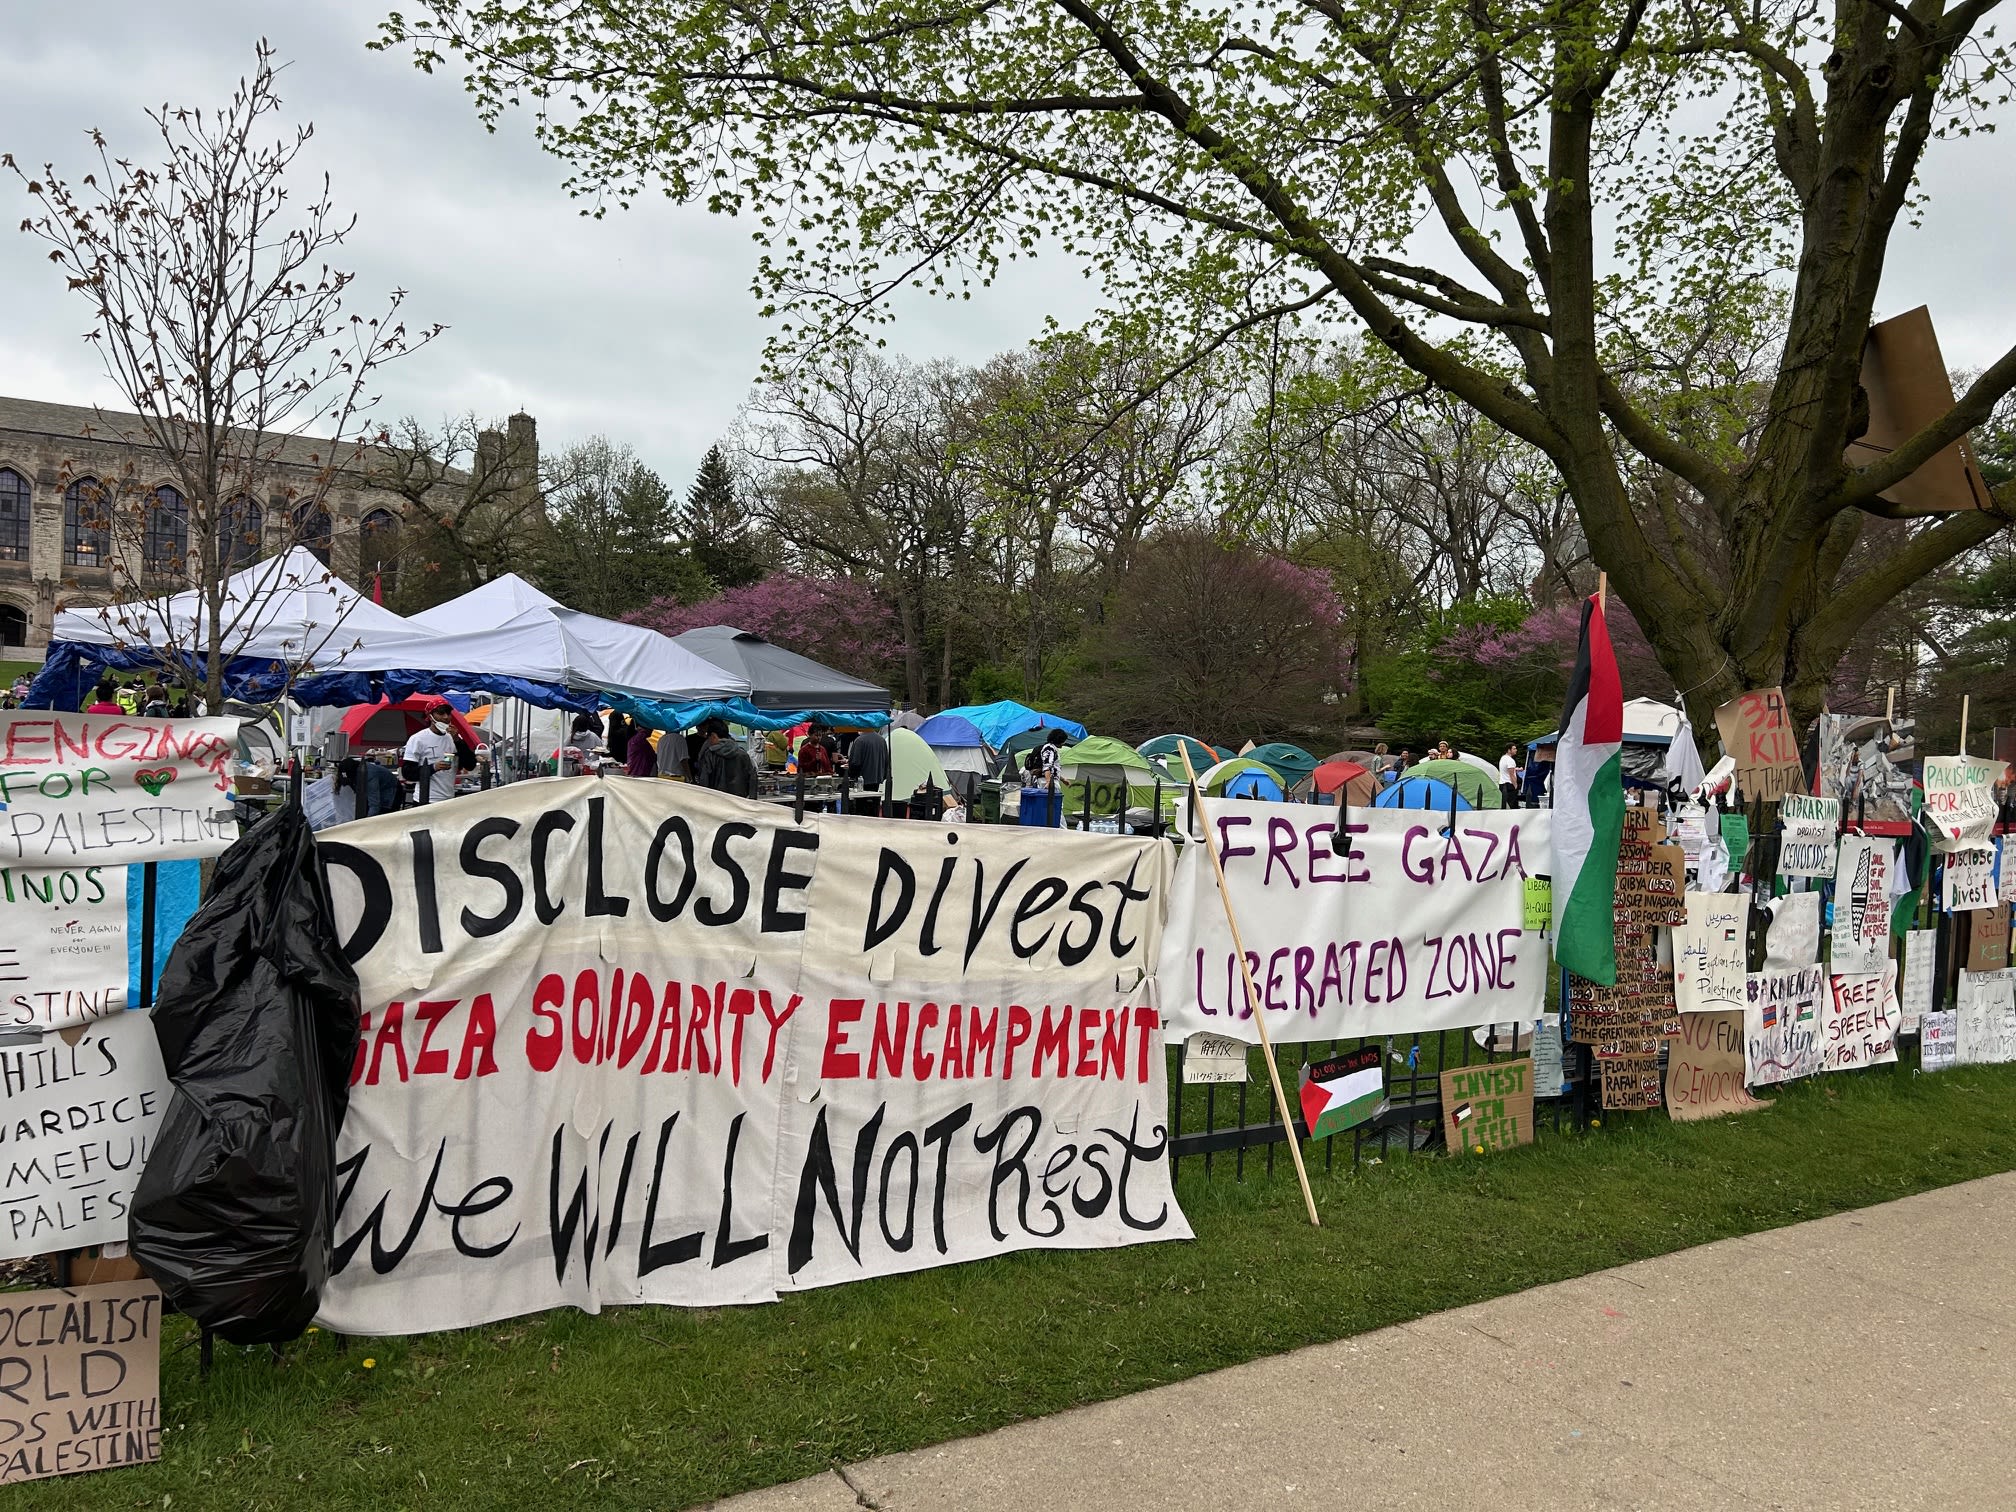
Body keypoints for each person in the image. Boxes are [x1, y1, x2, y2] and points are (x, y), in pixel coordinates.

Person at [401, 701, 461, 803]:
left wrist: (458, 741)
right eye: (441, 713)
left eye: (448, 713)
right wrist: (433, 767)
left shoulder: (453, 737)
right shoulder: (418, 738)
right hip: (426, 798)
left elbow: (469, 765)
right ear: (430, 716)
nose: (446, 717)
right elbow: (407, 773)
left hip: (449, 798)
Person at [693, 716, 757, 797]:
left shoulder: (710, 754)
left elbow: (704, 781)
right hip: (739, 800)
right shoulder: (743, 754)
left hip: (717, 800)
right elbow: (752, 778)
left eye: (708, 737)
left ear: (713, 736)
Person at [1499, 743, 1521, 809]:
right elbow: (1511, 774)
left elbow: (1506, 769)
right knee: (1512, 805)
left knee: (1504, 804)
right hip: (1509, 785)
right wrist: (1515, 785)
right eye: (1514, 749)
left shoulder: (1503, 758)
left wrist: (1516, 769)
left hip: (1502, 784)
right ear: (1509, 750)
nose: (1516, 750)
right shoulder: (1510, 760)